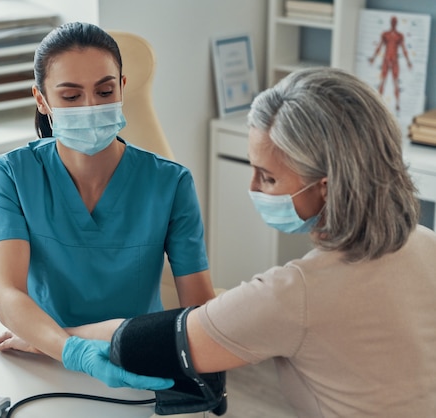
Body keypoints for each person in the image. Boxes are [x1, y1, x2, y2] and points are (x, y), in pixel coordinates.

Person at [71, 67, 436, 416]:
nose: (253, 188)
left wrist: (59, 338)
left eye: (268, 178)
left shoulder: (297, 293)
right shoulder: (426, 243)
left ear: (326, 187)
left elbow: (147, 342)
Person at [0, 22, 214, 387]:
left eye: (105, 91)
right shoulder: (14, 174)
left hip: (131, 357)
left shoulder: (170, 183)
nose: (91, 107)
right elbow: (7, 293)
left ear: (122, 88)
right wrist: (69, 350)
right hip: (43, 363)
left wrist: (64, 339)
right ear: (42, 100)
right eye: (71, 97)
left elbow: (199, 312)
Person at [368, 15, 412, 112]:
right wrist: (373, 58)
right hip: (386, 59)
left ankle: (397, 104)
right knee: (382, 80)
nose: (393, 23)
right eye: (392, 21)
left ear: (396, 23)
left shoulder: (399, 36)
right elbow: (379, 46)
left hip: (395, 60)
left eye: (395, 21)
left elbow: (404, 48)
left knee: (395, 81)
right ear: (391, 22)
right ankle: (377, 104)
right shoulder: (385, 34)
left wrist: (408, 61)